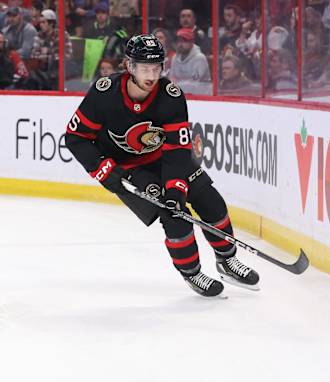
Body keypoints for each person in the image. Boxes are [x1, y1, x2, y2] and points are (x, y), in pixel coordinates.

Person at [65, 34, 259, 298]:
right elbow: (76, 138)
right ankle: (192, 273)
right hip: (129, 168)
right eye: (145, 68)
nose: (151, 75)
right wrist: (103, 170)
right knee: (175, 217)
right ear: (129, 67)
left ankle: (227, 259)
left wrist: (176, 188)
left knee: (209, 200)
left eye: (156, 68)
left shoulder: (171, 96)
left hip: (165, 158)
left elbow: (177, 150)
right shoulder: (104, 93)